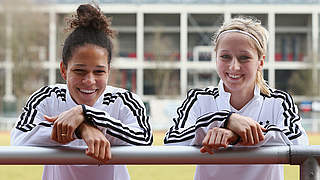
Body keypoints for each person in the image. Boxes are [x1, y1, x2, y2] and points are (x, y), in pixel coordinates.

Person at [10, 3, 153, 180]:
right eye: (79, 71)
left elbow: (145, 138)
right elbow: (18, 139)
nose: (89, 81)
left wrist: (86, 114)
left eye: (99, 71)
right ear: (63, 70)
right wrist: (81, 128)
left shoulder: (124, 101)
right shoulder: (47, 97)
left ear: (108, 70)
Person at [164, 16, 308, 180]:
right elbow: (172, 140)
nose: (234, 66)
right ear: (216, 57)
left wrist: (238, 134)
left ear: (260, 62)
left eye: (244, 57)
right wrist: (225, 120)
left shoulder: (278, 101)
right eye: (225, 56)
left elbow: (298, 143)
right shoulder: (199, 98)